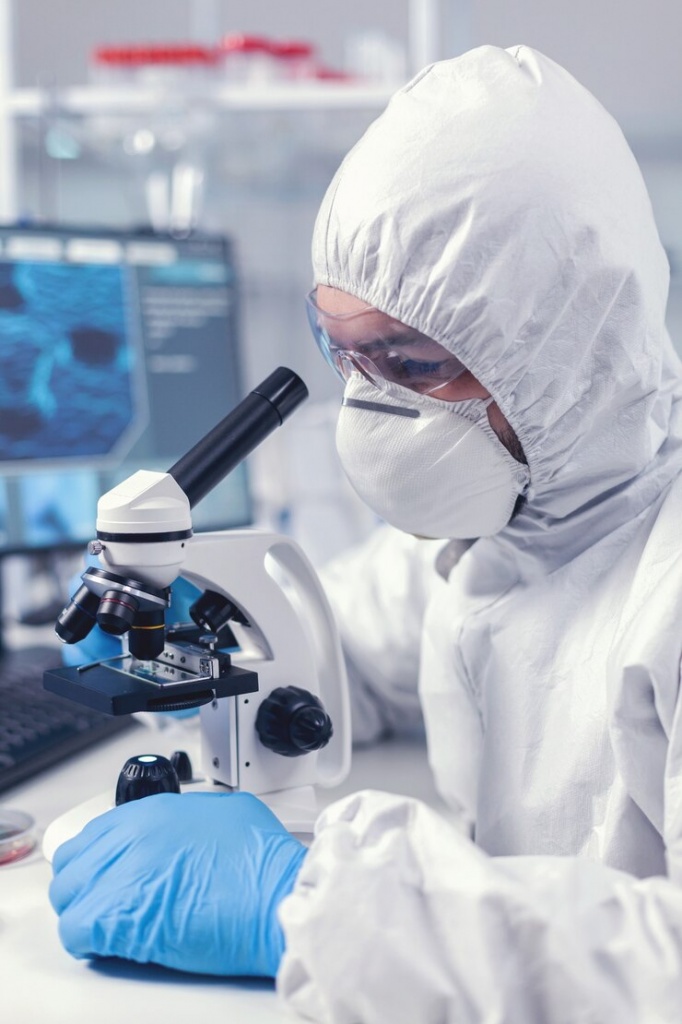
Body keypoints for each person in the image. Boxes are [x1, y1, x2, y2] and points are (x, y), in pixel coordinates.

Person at [49, 44, 682, 1022]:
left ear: (562, 348)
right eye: (345, 356)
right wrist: (197, 630)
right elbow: (342, 660)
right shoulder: (501, 533)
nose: (372, 408)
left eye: (412, 363)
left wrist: (306, 909)